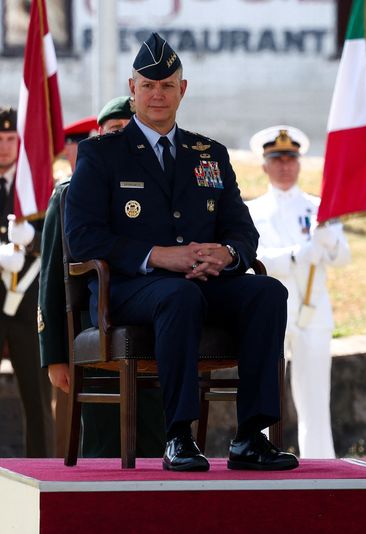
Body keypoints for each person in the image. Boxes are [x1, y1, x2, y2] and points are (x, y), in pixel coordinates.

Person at [64, 33, 297, 471]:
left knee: (268, 292)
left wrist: (228, 254)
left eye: (167, 85)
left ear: (182, 90)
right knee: (178, 295)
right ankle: (179, 436)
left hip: (203, 282)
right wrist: (156, 255)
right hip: (129, 288)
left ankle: (251, 436)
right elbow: (83, 238)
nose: (158, 94)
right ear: (132, 89)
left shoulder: (209, 154)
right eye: (148, 85)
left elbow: (242, 230)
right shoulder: (101, 154)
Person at [39, 97, 166, 458]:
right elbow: (53, 280)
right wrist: (55, 355)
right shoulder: (70, 194)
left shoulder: (162, 190)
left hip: (152, 332)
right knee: (103, 442)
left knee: (157, 438)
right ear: (97, 136)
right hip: (93, 334)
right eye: (114, 131)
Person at [246, 126, 351, 459]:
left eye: (290, 159)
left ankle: (320, 461)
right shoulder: (251, 211)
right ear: (265, 165)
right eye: (277, 160)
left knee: (315, 395)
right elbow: (253, 259)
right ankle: (260, 453)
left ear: (299, 163)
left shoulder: (320, 208)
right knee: (265, 392)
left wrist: (328, 240)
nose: (284, 166)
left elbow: (343, 257)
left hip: (312, 308)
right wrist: (296, 255)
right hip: (272, 310)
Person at [0, 106, 54, 458]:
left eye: (11, 139)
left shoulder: (34, 186)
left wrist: (32, 240)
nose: (5, 146)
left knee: (37, 399)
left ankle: (42, 469)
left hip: (27, 303)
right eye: (0, 139)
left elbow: (56, 238)